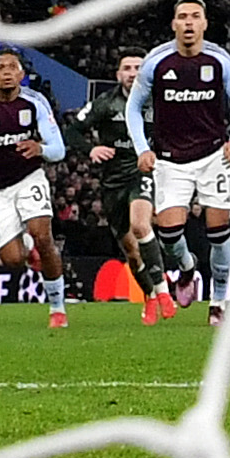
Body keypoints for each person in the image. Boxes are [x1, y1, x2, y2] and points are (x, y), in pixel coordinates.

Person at [127, 0, 230, 326]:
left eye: (195, 16)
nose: (188, 22)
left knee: (219, 229)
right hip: (169, 160)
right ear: (173, 24)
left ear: (204, 24)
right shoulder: (157, 62)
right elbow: (133, 107)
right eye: (182, 17)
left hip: (213, 155)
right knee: (168, 235)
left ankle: (218, 302)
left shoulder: (220, 60)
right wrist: (142, 147)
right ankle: (186, 269)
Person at [0, 47, 70, 329]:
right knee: (13, 260)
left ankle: (57, 308)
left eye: (11, 67)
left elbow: (59, 150)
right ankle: (27, 247)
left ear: (21, 74)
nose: (6, 72)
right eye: (0, 67)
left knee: (44, 237)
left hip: (28, 178)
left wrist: (40, 148)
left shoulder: (35, 103)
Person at [76, 50, 173, 322]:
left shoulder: (159, 102)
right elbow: (71, 131)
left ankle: (164, 293)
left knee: (142, 226)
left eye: (137, 68)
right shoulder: (105, 103)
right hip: (112, 182)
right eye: (127, 68)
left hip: (142, 173)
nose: (132, 73)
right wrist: (91, 148)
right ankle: (150, 295)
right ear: (118, 75)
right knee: (131, 251)